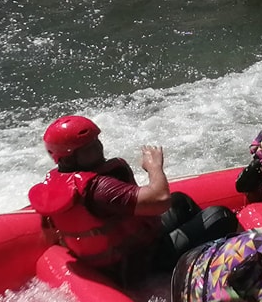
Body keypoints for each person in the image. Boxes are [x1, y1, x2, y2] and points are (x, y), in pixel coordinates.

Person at [27, 115, 236, 285]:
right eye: (89, 148)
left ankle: (195, 245)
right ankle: (205, 267)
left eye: (96, 142)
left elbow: (49, 234)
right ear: (69, 157)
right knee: (219, 215)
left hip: (122, 254)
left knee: (179, 201)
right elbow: (160, 199)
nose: (99, 148)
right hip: (140, 261)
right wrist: (154, 167)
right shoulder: (100, 189)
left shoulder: (56, 184)